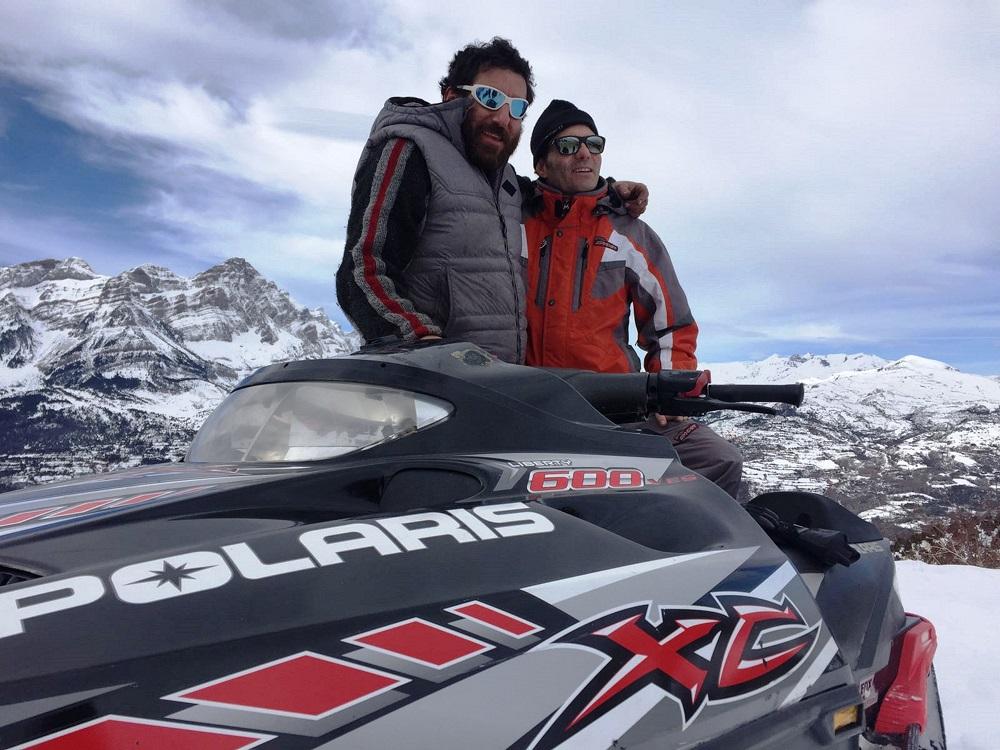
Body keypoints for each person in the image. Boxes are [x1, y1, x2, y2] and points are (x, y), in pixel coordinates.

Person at [336, 38, 645, 364]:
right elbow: (362, 271)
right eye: (490, 98)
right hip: (432, 381)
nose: (503, 118)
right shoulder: (411, 151)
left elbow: (558, 193)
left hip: (500, 383)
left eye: (516, 108)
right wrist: (421, 345)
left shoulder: (505, 181)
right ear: (452, 96)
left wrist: (609, 191)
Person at [522, 99, 743, 497]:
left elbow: (670, 323)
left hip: (613, 404)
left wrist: (670, 392)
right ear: (541, 164)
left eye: (593, 144)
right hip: (526, 403)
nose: (584, 153)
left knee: (718, 459)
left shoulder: (630, 234)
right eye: (568, 146)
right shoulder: (510, 220)